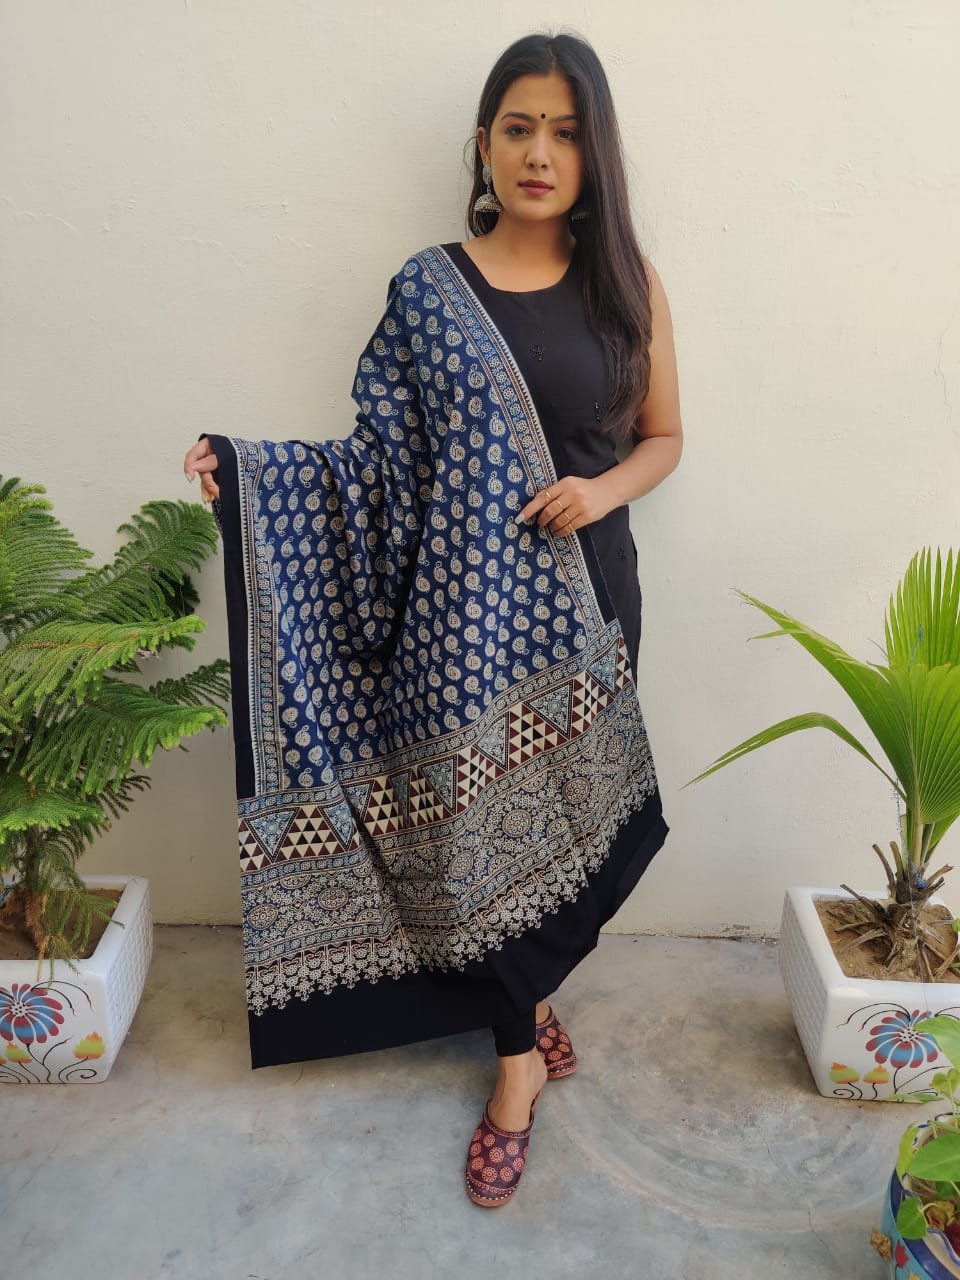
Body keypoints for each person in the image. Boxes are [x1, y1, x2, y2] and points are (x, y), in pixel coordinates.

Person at [183, 30, 682, 1207]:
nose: (539, 152)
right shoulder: (427, 289)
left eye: (565, 132)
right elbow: (378, 467)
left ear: (595, 153)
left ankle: (526, 1000)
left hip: (591, 600)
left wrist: (601, 489)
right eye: (519, 127)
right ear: (484, 143)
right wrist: (253, 476)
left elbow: (665, 437)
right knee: (471, 846)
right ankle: (518, 1063)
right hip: (456, 624)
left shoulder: (626, 284)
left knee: (567, 831)